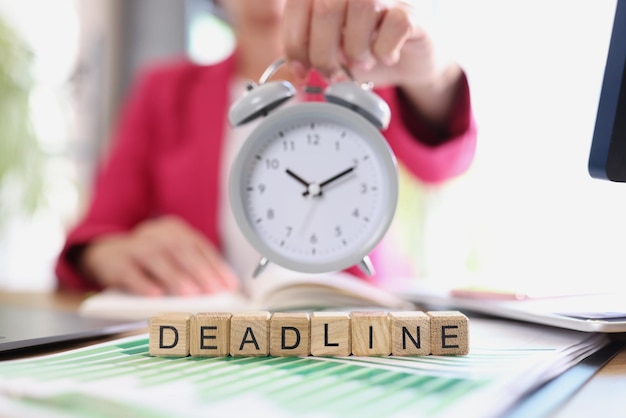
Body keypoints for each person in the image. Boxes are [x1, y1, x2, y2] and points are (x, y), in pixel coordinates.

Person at [55, 0, 477, 296]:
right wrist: (109, 254)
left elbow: (444, 165)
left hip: (357, 328)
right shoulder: (163, 90)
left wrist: (434, 76)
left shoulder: (370, 74)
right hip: (218, 337)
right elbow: (94, 232)